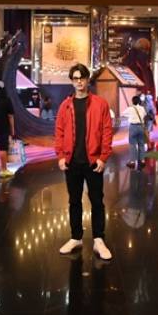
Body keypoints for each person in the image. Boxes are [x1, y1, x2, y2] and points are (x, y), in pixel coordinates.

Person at [55, 64, 113, 260]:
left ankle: (99, 239)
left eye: (82, 78)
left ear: (88, 79)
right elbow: (59, 132)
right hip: (71, 162)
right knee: (74, 201)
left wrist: (103, 157)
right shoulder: (65, 105)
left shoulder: (100, 104)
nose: (79, 81)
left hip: (93, 162)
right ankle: (76, 237)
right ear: (72, 81)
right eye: (75, 78)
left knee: (97, 201)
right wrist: (60, 156)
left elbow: (107, 131)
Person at [122, 95, 147, 168]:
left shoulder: (130, 108)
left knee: (132, 144)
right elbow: (145, 115)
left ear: (132, 101)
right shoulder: (142, 108)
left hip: (133, 127)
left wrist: (130, 115)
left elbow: (123, 114)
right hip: (141, 127)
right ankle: (142, 160)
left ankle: (132, 161)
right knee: (141, 144)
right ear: (139, 101)